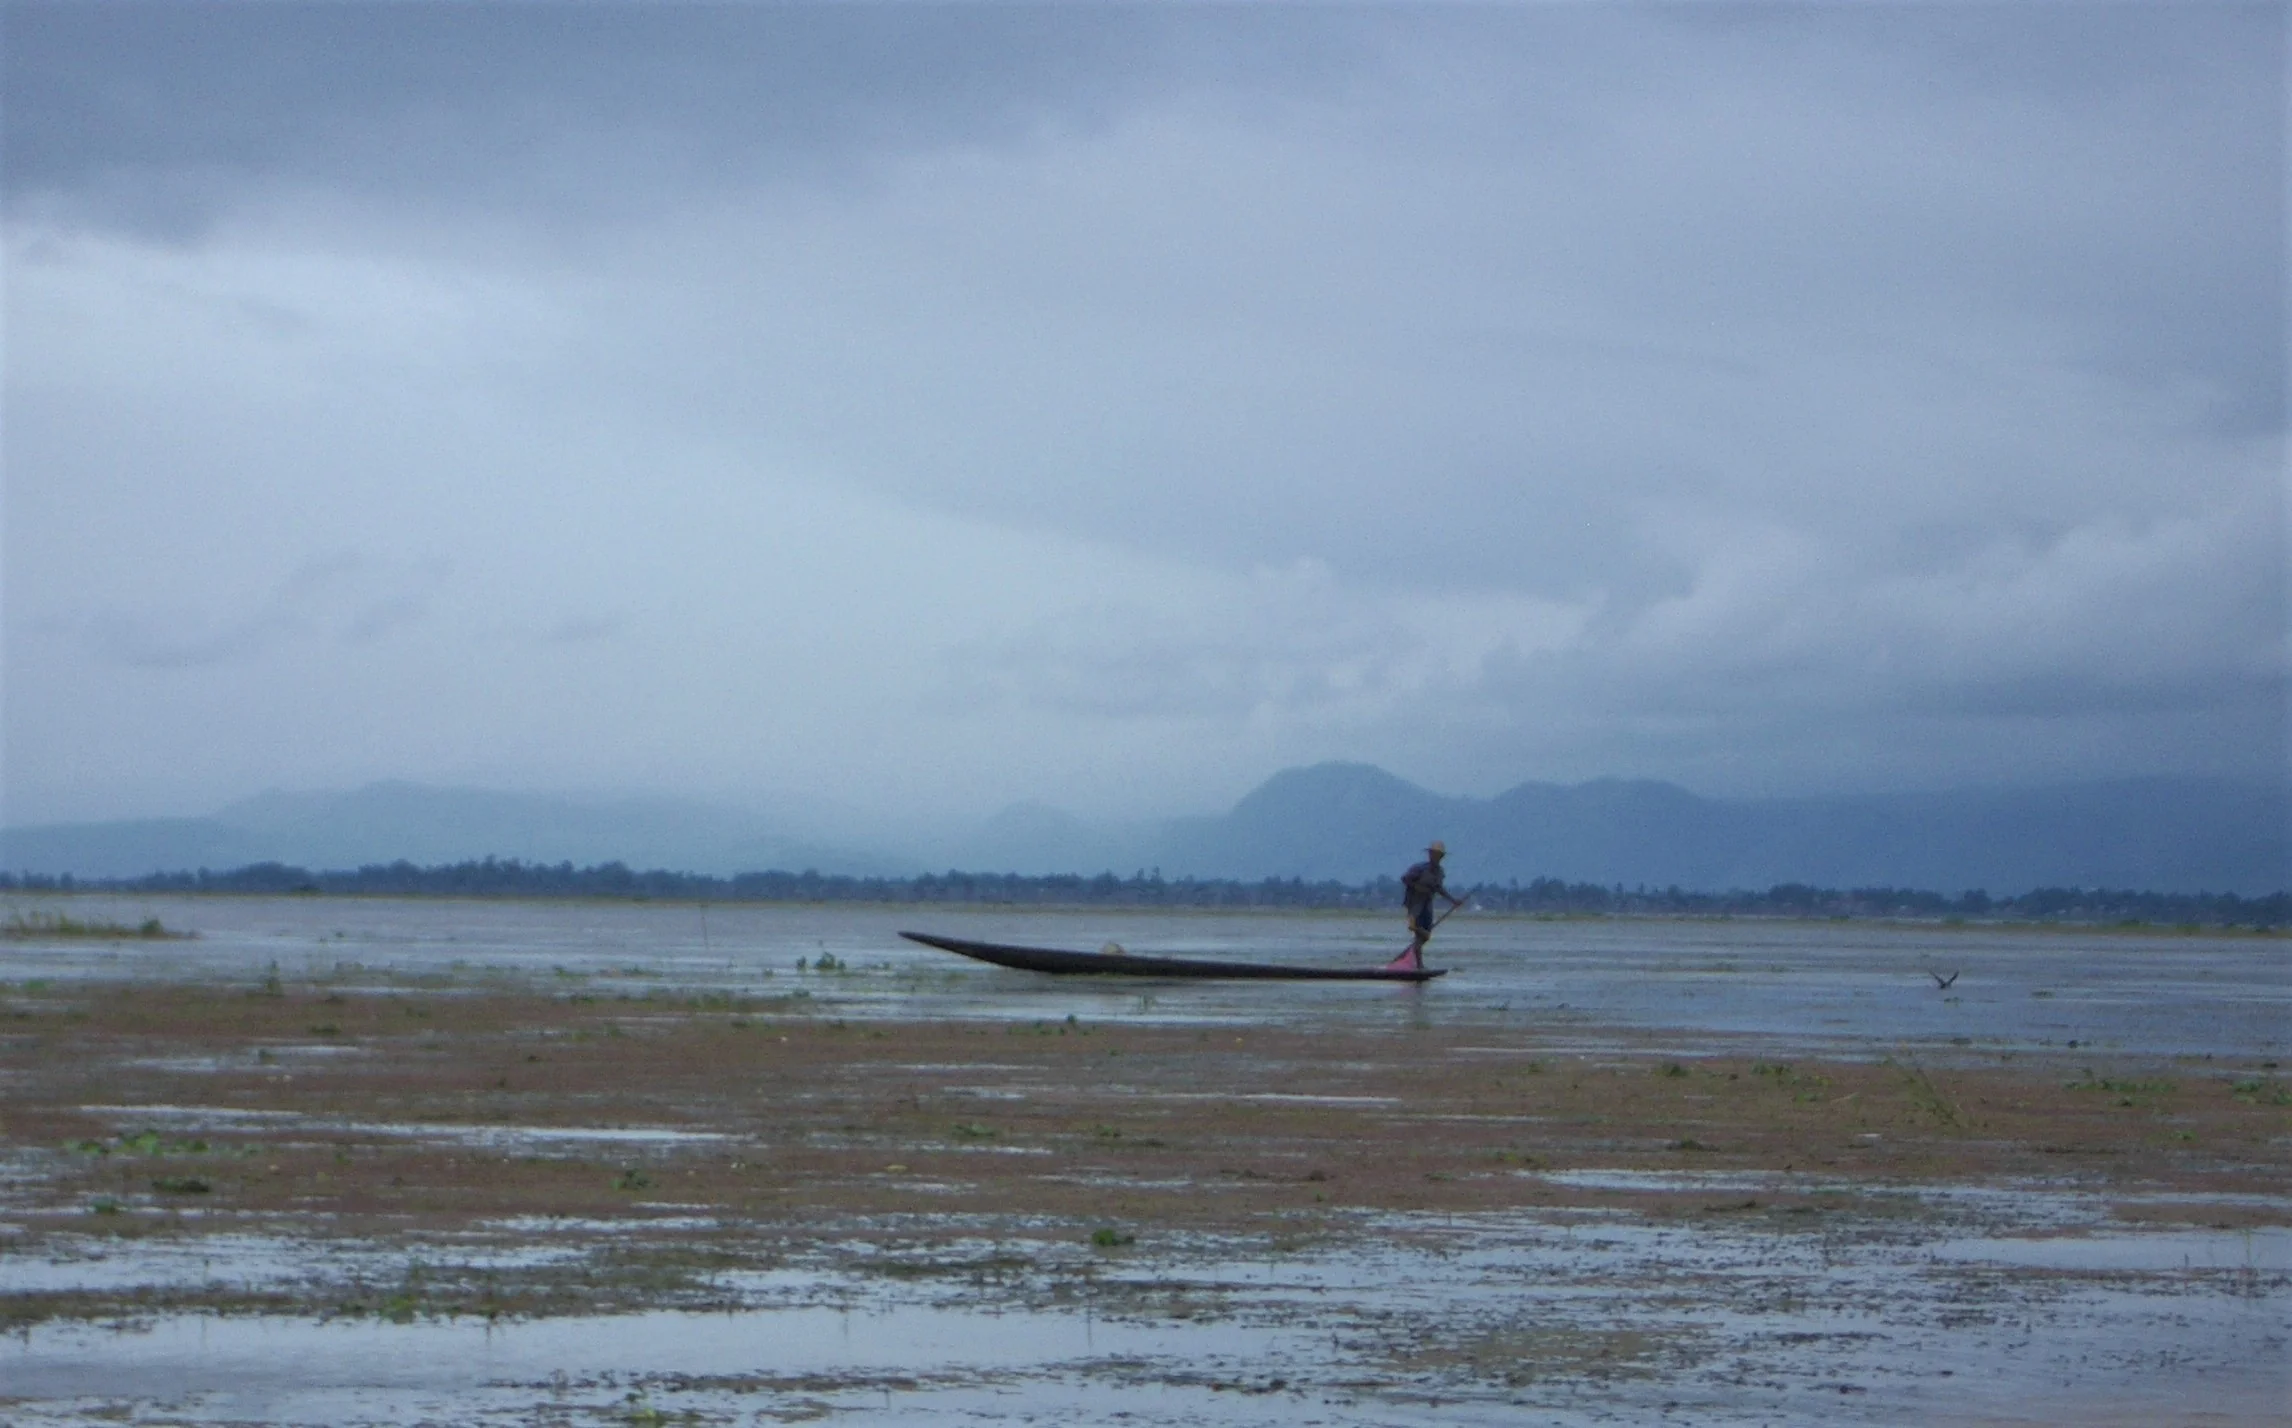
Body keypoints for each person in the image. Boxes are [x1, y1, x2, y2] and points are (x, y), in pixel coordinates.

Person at [1396, 840, 1464, 970]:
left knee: (1425, 936)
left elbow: (1439, 889)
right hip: (1415, 900)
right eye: (1433, 854)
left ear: (1441, 857)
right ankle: (1419, 964)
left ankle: (1417, 962)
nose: (1435, 857)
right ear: (1430, 855)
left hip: (1427, 901)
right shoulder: (1419, 868)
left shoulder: (1439, 872)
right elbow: (1405, 879)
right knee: (1417, 929)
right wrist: (1417, 887)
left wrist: (1453, 900)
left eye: (1438, 855)